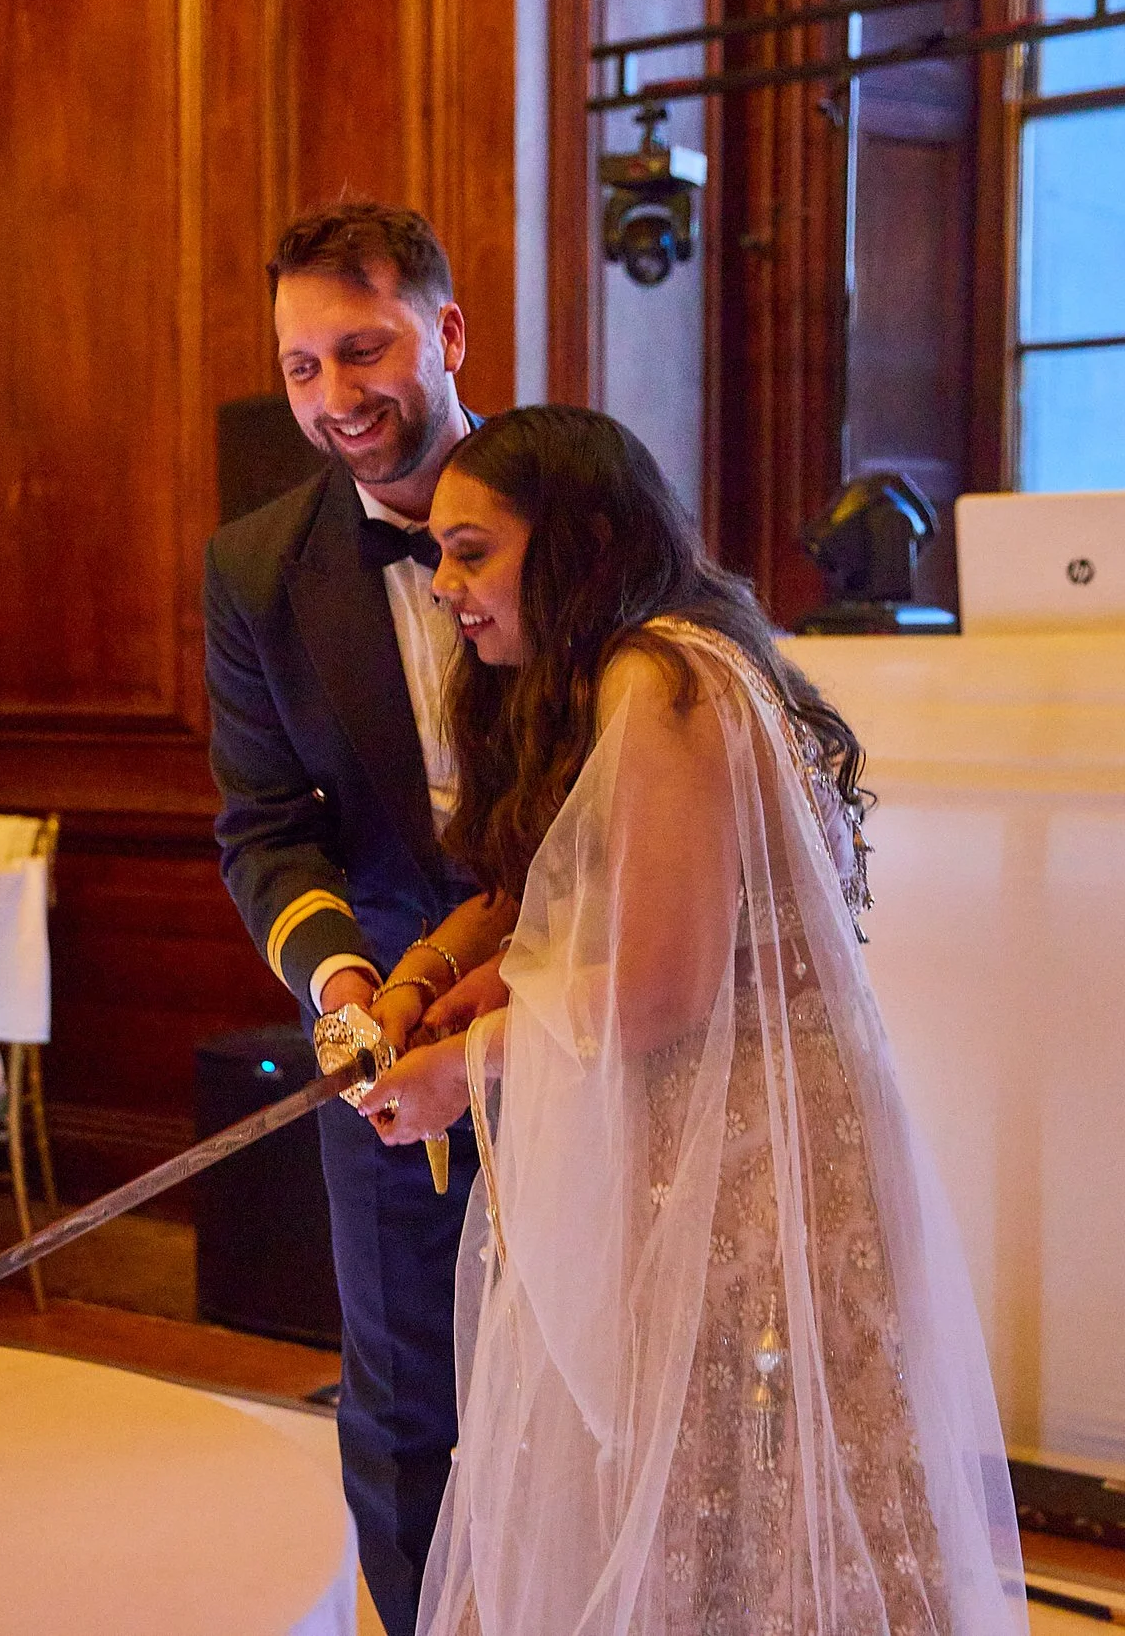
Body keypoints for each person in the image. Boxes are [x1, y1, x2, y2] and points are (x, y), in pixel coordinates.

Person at [357, 407, 1025, 1635]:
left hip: (741, 1147)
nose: (444, 584)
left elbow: (665, 982)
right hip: (722, 1119)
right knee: (718, 1475)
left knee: (737, 1461)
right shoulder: (659, 655)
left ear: (578, 541)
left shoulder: (653, 679)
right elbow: (553, 890)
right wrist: (428, 977)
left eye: (471, 551)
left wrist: (468, 1064)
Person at [203, 199, 517, 1631]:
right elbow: (264, 821)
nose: (335, 397)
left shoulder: (578, 505)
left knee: (607, 1366)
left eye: (364, 348)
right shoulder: (257, 566)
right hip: (381, 1023)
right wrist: (342, 982)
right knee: (402, 1393)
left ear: (447, 334)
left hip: (599, 993)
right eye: (302, 367)